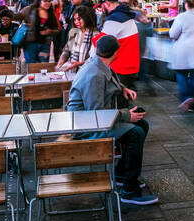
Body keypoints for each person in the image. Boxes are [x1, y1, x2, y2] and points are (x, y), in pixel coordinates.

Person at [66, 34, 157, 205]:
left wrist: (123, 88)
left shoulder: (98, 63)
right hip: (85, 126)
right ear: (116, 53)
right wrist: (126, 115)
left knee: (141, 124)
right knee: (135, 133)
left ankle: (123, 174)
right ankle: (129, 191)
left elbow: (110, 80)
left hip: (93, 118)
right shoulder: (94, 75)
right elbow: (97, 113)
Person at [96, 0, 141, 90]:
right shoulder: (125, 14)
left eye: (101, 6)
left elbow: (100, 44)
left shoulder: (115, 19)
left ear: (106, 3)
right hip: (130, 65)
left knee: (119, 100)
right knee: (126, 97)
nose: (101, 10)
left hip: (121, 68)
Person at [19, 0, 61, 64]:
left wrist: (49, 32)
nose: (48, 3)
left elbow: (57, 29)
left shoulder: (51, 12)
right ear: (39, 1)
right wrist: (25, 25)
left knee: (43, 67)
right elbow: (19, 16)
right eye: (45, 1)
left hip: (45, 44)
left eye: (49, 1)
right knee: (31, 67)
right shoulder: (30, 9)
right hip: (30, 44)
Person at [57, 4, 98, 72]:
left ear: (86, 18)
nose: (76, 22)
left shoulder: (95, 34)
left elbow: (95, 57)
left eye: (79, 19)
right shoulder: (74, 32)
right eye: (74, 19)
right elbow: (67, 50)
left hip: (88, 71)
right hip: (73, 70)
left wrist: (80, 63)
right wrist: (62, 60)